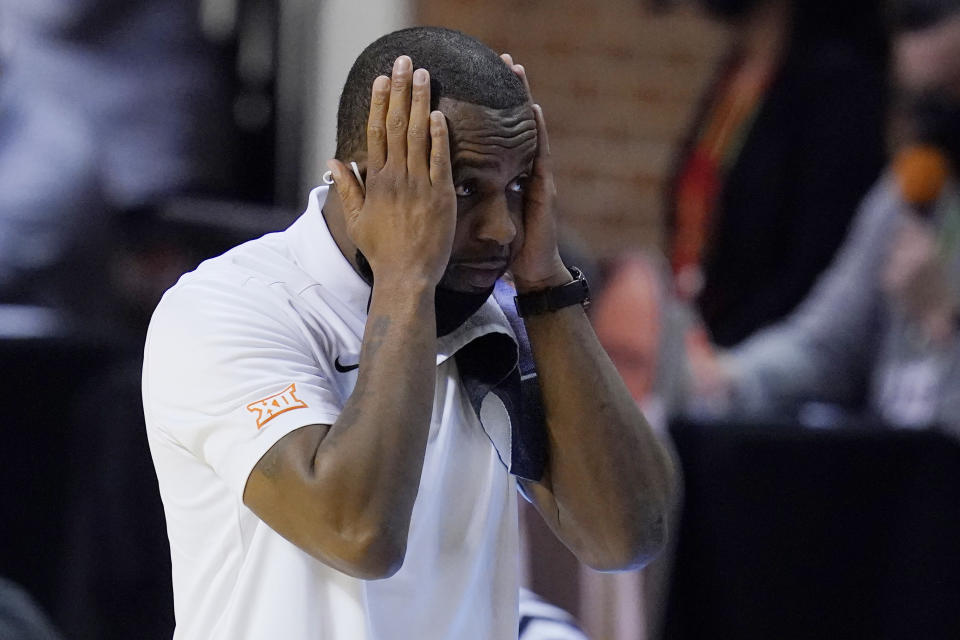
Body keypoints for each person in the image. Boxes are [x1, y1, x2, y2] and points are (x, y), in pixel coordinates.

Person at [142, 27, 676, 639]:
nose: (502, 229)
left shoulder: (493, 315)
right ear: (362, 184)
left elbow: (628, 536)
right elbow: (356, 533)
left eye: (519, 187)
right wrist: (405, 279)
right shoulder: (227, 308)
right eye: (466, 187)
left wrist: (546, 285)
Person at [687, 0, 960, 435]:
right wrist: (730, 375)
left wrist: (949, 315)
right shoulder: (905, 194)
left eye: (946, 101)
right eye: (920, 109)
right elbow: (827, 343)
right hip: (898, 476)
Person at [667, 0, 889, 346]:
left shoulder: (838, 83)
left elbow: (816, 267)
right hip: (699, 345)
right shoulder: (738, 69)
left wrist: (723, 356)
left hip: (765, 365)